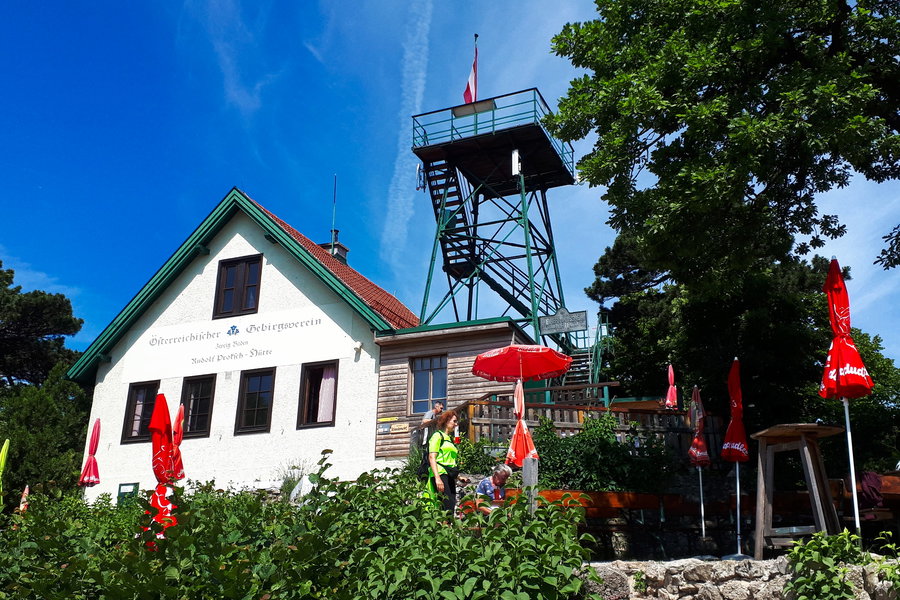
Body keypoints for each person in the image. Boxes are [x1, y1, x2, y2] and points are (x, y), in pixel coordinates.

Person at [426, 410, 459, 515]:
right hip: (440, 474)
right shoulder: (437, 436)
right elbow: (432, 456)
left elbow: (449, 462)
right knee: (446, 505)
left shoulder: (449, 439)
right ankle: (445, 528)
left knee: (451, 504)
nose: (456, 424)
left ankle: (448, 529)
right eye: (454, 421)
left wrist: (459, 477)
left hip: (449, 475)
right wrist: (437, 478)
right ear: (447, 421)